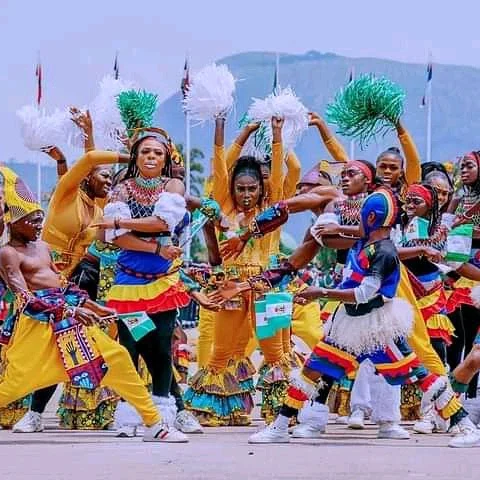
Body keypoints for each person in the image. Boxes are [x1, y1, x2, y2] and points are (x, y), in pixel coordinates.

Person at [210, 188, 472, 445]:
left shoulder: (383, 252)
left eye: (361, 215)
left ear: (371, 218)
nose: (355, 220)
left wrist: (320, 292)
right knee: (311, 371)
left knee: (420, 375)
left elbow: (364, 293)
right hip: (349, 325)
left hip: (377, 328)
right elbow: (307, 254)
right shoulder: (365, 242)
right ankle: (279, 427)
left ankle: (466, 426)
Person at [0, 183, 187, 443]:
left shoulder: (42, 247)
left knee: (118, 358)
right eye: (33, 221)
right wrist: (72, 310)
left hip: (70, 322)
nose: (39, 225)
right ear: (14, 222)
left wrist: (92, 306)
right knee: (14, 385)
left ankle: (154, 424)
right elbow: (25, 299)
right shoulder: (7, 253)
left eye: (40, 219)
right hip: (37, 330)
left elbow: (62, 285)